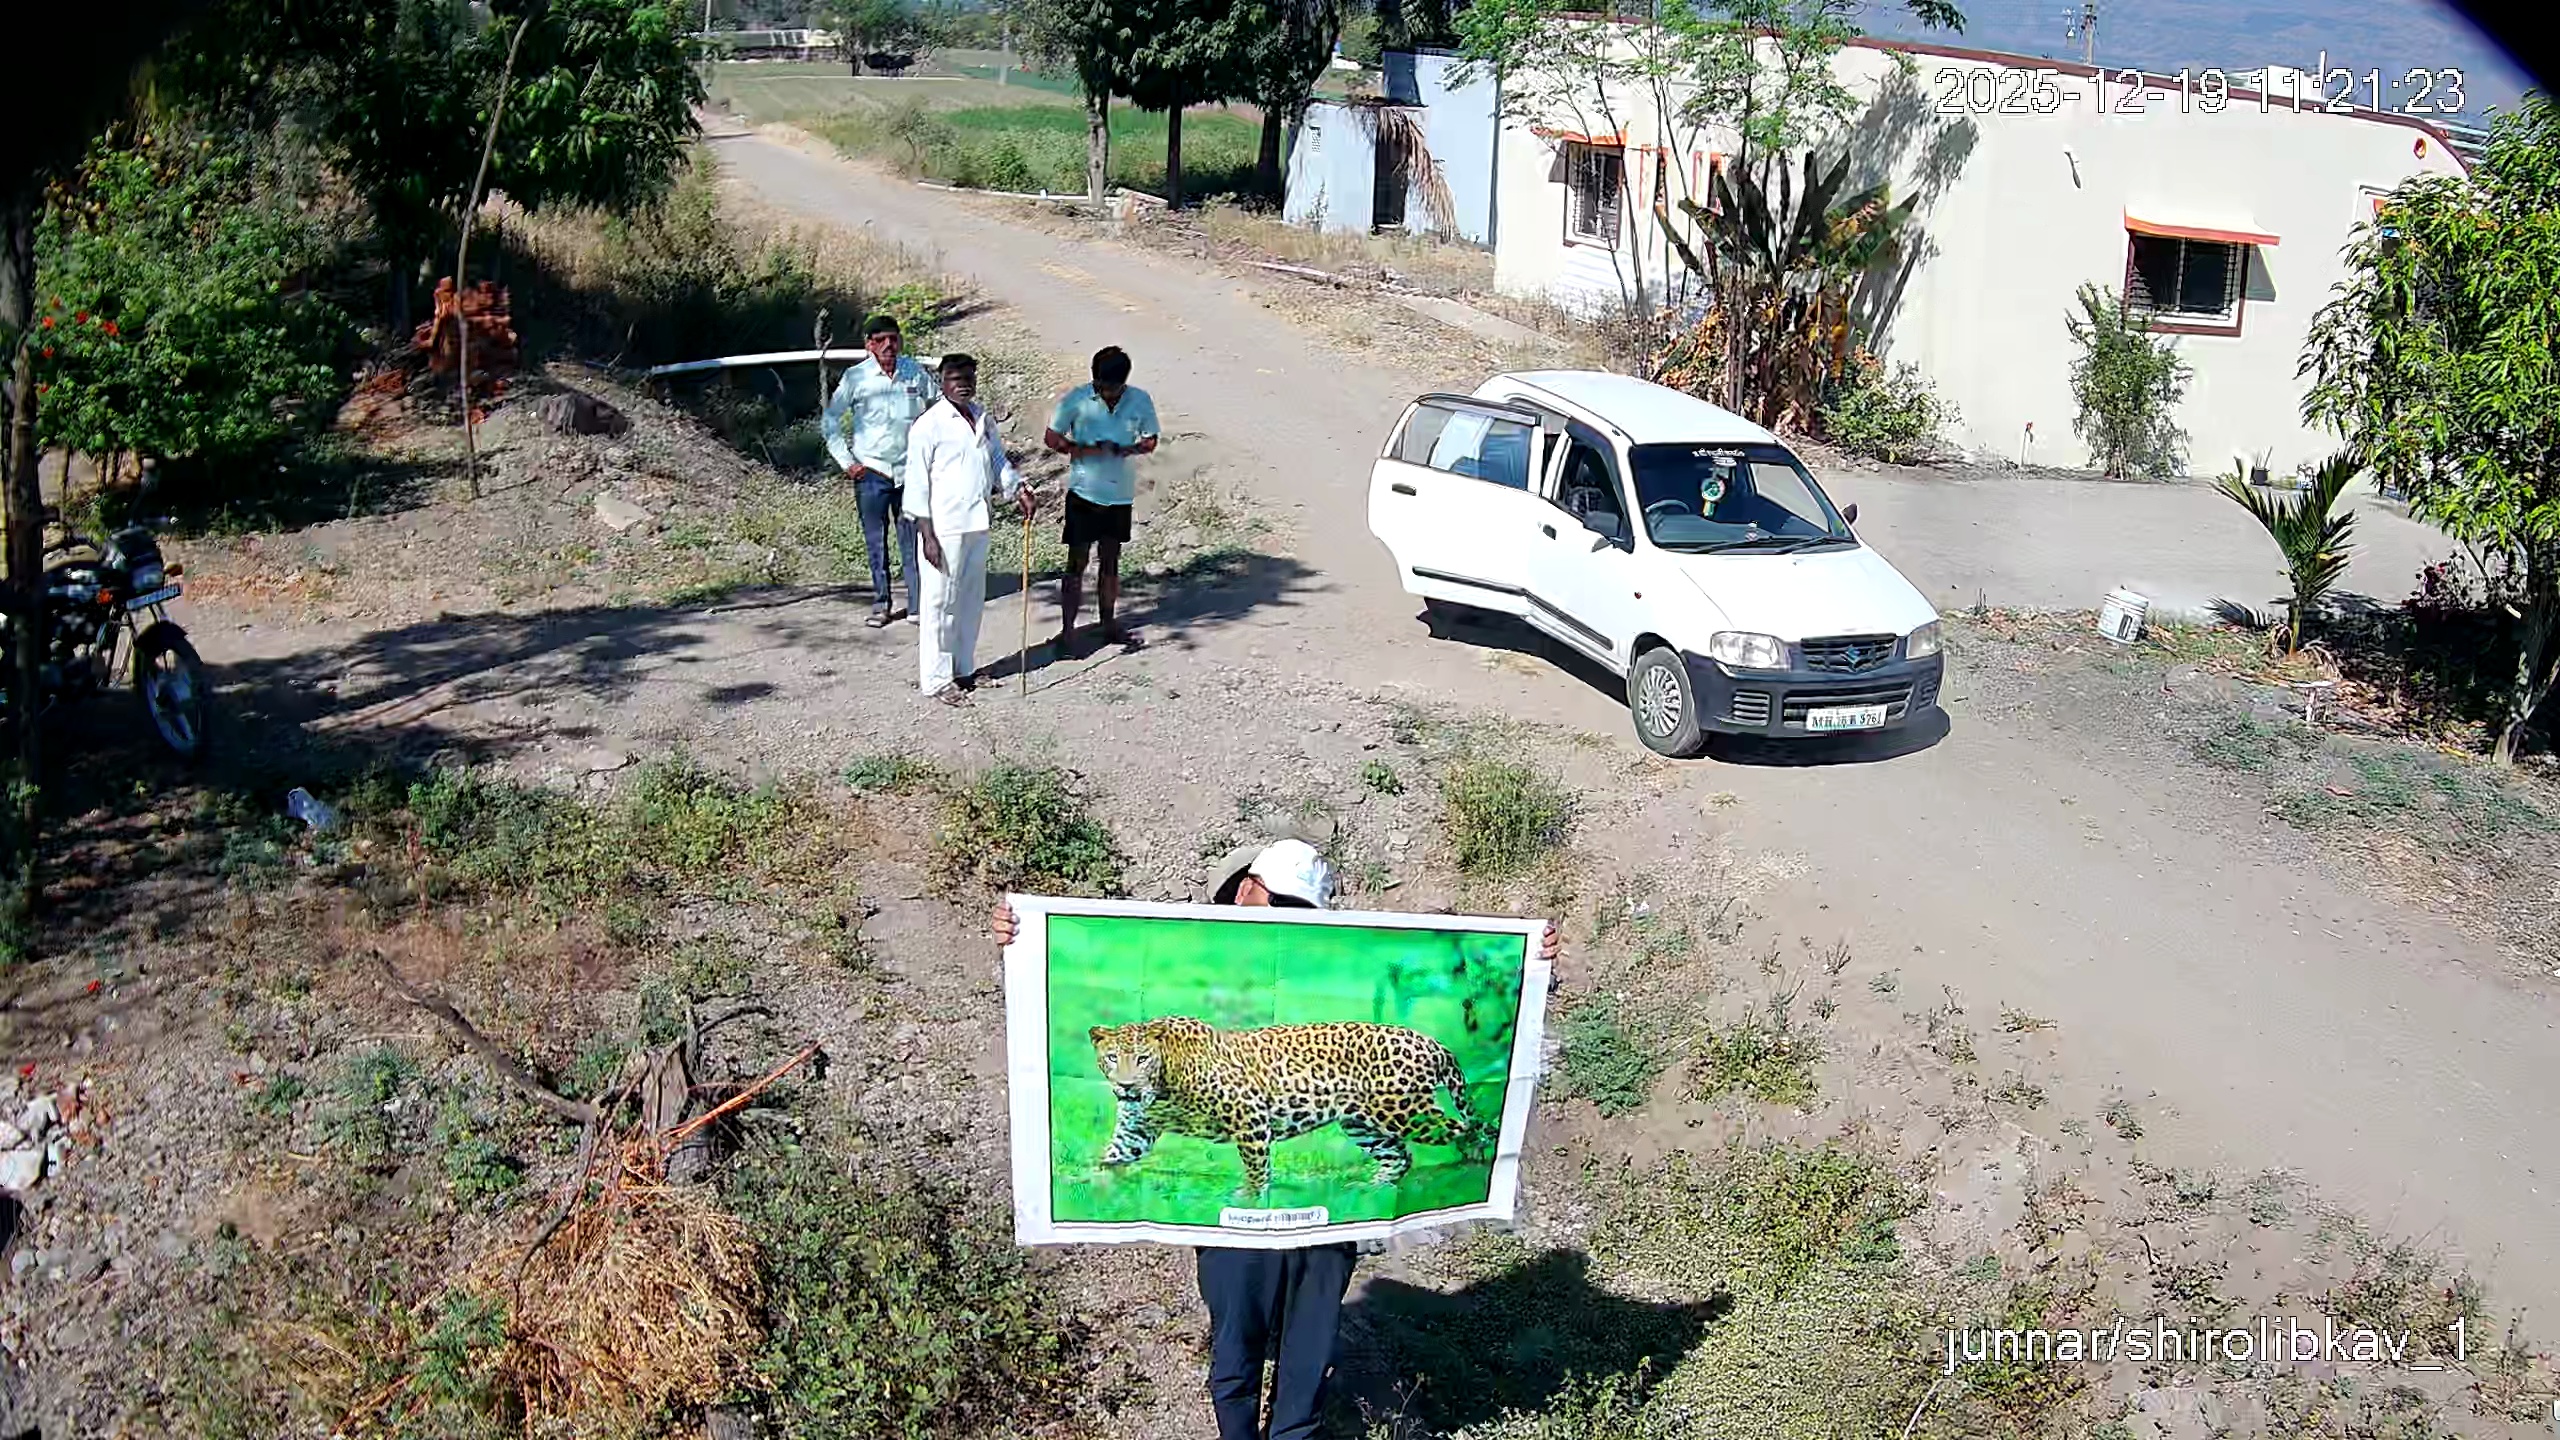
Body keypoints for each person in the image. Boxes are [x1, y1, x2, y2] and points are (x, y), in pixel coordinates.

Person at [990, 841, 1559, 1440]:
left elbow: (1445, 965)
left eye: (1302, 909)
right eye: (1278, 900)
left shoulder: (1333, 952)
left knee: (1307, 1359)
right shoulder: (1186, 940)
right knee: (1234, 1350)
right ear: (1245, 889)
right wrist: (1020, 941)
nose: (1287, 916)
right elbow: (1080, 966)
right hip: (1233, 1227)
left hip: (1324, 1217)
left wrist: (1530, 961)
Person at [904, 353, 1038, 704]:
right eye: (955, 378)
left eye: (968, 378)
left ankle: (963, 669)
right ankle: (937, 680)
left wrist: (1018, 489)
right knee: (940, 602)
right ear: (942, 382)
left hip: (978, 521)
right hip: (943, 527)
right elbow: (916, 483)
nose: (963, 384)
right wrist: (927, 535)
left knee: (970, 600)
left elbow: (997, 461)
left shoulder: (981, 418)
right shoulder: (928, 425)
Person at [821, 313, 939, 628]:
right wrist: (847, 462)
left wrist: (934, 452)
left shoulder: (914, 372)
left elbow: (940, 406)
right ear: (869, 345)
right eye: (880, 340)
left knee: (913, 540)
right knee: (876, 542)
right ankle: (881, 604)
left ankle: (917, 605)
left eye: (893, 339)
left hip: (910, 472)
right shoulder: (856, 377)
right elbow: (831, 420)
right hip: (871, 472)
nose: (888, 345)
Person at [1043, 345, 1159, 654]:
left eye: (1114, 389)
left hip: (1119, 494)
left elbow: (1151, 440)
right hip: (1083, 492)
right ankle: (1068, 632)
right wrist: (1081, 450)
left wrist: (1128, 449)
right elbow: (1051, 437)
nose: (1108, 394)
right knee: (1076, 563)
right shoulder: (1077, 399)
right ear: (1094, 379)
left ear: (1125, 382)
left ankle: (1108, 624)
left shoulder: (1140, 400)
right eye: (1103, 388)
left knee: (1111, 561)